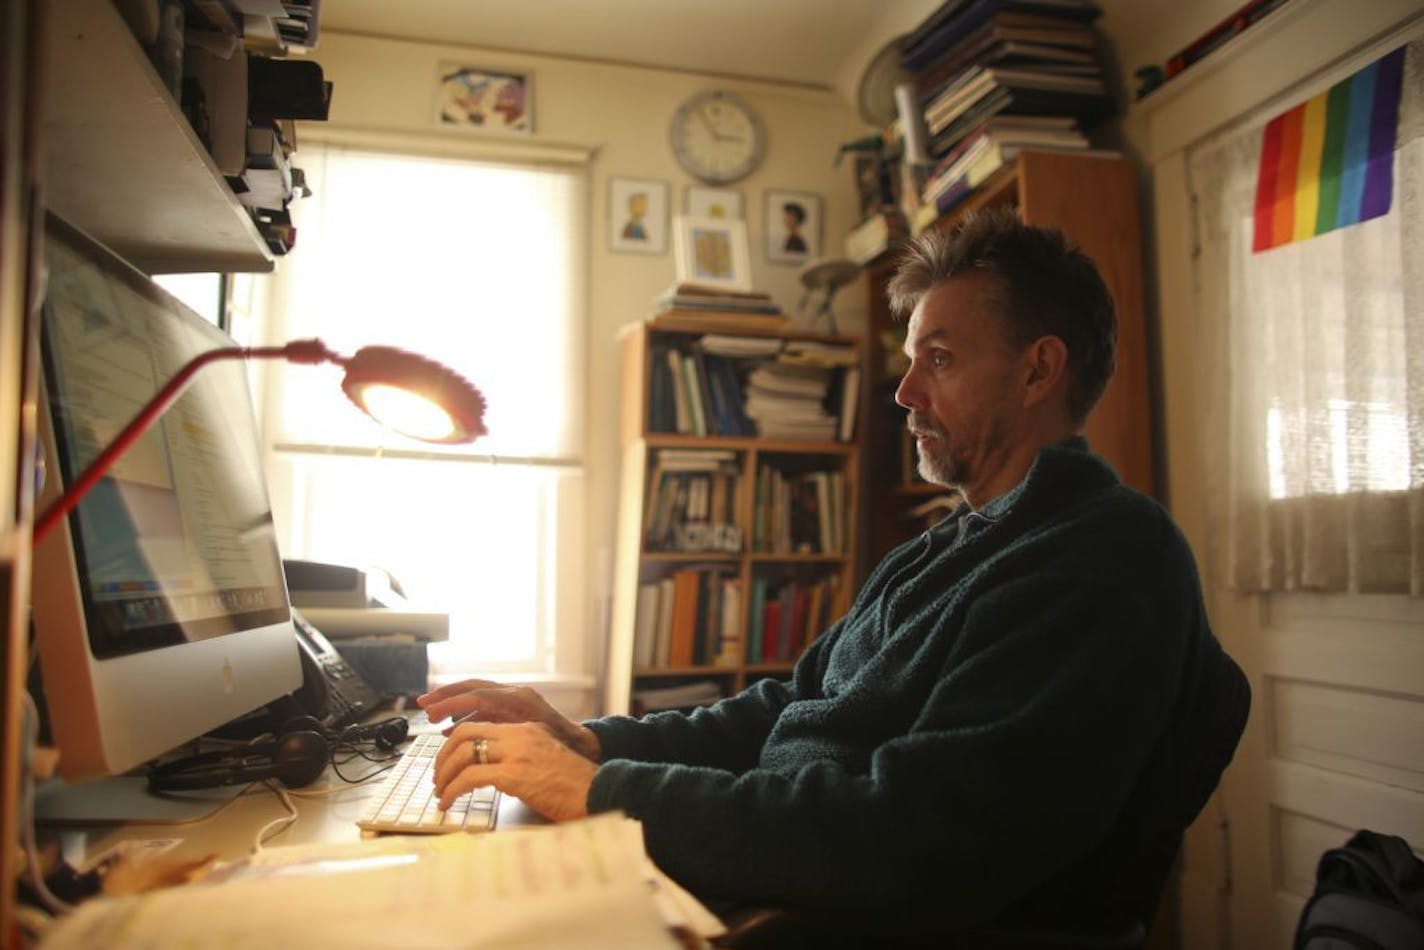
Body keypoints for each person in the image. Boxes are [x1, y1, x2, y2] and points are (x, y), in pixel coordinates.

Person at [422, 210, 1239, 932]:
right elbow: (784, 710)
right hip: (779, 893)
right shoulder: (945, 550)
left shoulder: (1101, 562)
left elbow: (916, 839)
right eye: (914, 361)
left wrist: (601, 795)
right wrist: (588, 742)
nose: (906, 392)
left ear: (1038, 369)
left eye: (941, 360)